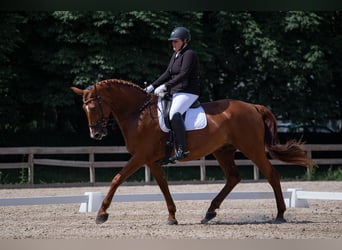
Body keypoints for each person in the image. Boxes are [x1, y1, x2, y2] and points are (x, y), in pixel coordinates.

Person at [145, 26, 200, 162]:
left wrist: (166, 86)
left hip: (188, 91)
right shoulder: (176, 55)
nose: (173, 44)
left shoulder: (189, 54)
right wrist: (152, 86)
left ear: (185, 41)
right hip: (176, 91)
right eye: (172, 41)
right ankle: (167, 147)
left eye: (176, 41)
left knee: (174, 113)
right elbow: (168, 73)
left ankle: (182, 149)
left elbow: (184, 74)